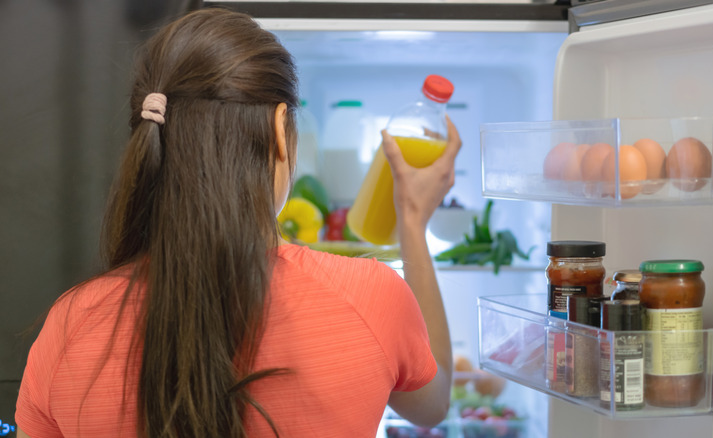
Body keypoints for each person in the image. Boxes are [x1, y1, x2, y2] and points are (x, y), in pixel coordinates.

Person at [15, 7, 461, 438]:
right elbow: (432, 404)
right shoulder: (369, 297)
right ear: (279, 130)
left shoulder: (71, 325)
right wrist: (412, 221)